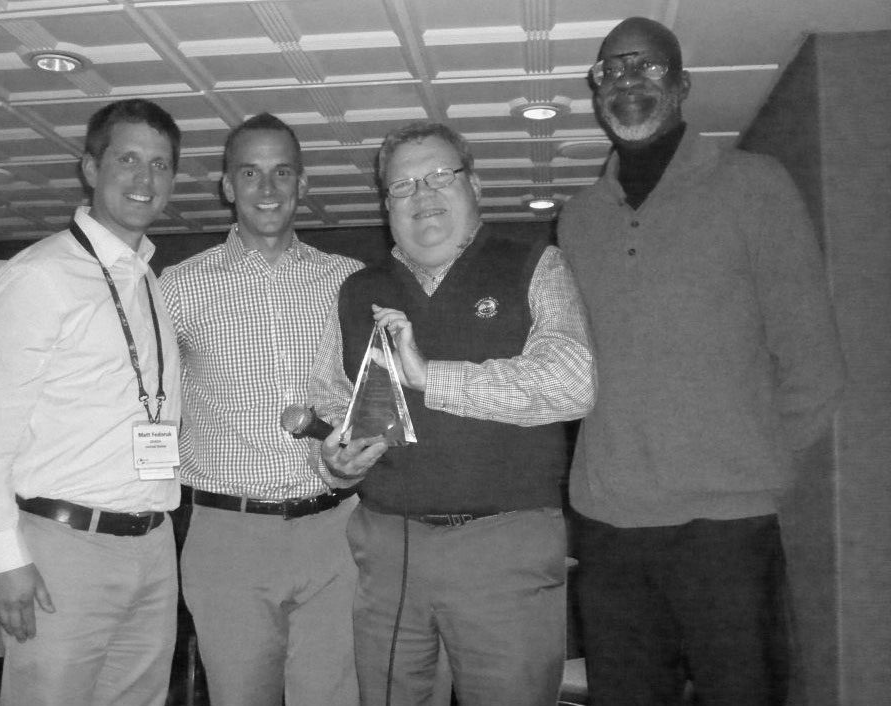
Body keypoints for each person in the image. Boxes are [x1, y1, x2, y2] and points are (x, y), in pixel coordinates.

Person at [557, 17, 846, 706]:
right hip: (608, 532)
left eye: (646, 66)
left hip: (727, 530)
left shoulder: (754, 186)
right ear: (597, 94)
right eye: (610, 71)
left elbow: (814, 364)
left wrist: (748, 462)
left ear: (682, 84)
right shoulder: (577, 218)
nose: (626, 80)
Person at [308, 120, 597, 706]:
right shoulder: (358, 290)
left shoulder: (534, 264)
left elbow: (573, 383)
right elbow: (332, 400)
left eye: (440, 175)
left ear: (476, 186)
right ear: (386, 204)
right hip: (389, 553)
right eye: (402, 186)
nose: (423, 195)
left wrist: (429, 377)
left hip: (504, 547)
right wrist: (337, 460)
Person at [0, 98, 183, 706]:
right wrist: (3, 558)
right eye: (128, 159)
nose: (144, 179)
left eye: (159, 165)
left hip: (153, 546)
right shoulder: (43, 275)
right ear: (90, 168)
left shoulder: (148, 278)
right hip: (64, 547)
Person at [159, 113, 363, 706]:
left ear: (303, 183)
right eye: (250, 173)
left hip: (336, 531)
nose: (267, 189)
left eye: (282, 173)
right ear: (227, 185)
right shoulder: (178, 287)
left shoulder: (348, 281)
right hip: (228, 537)